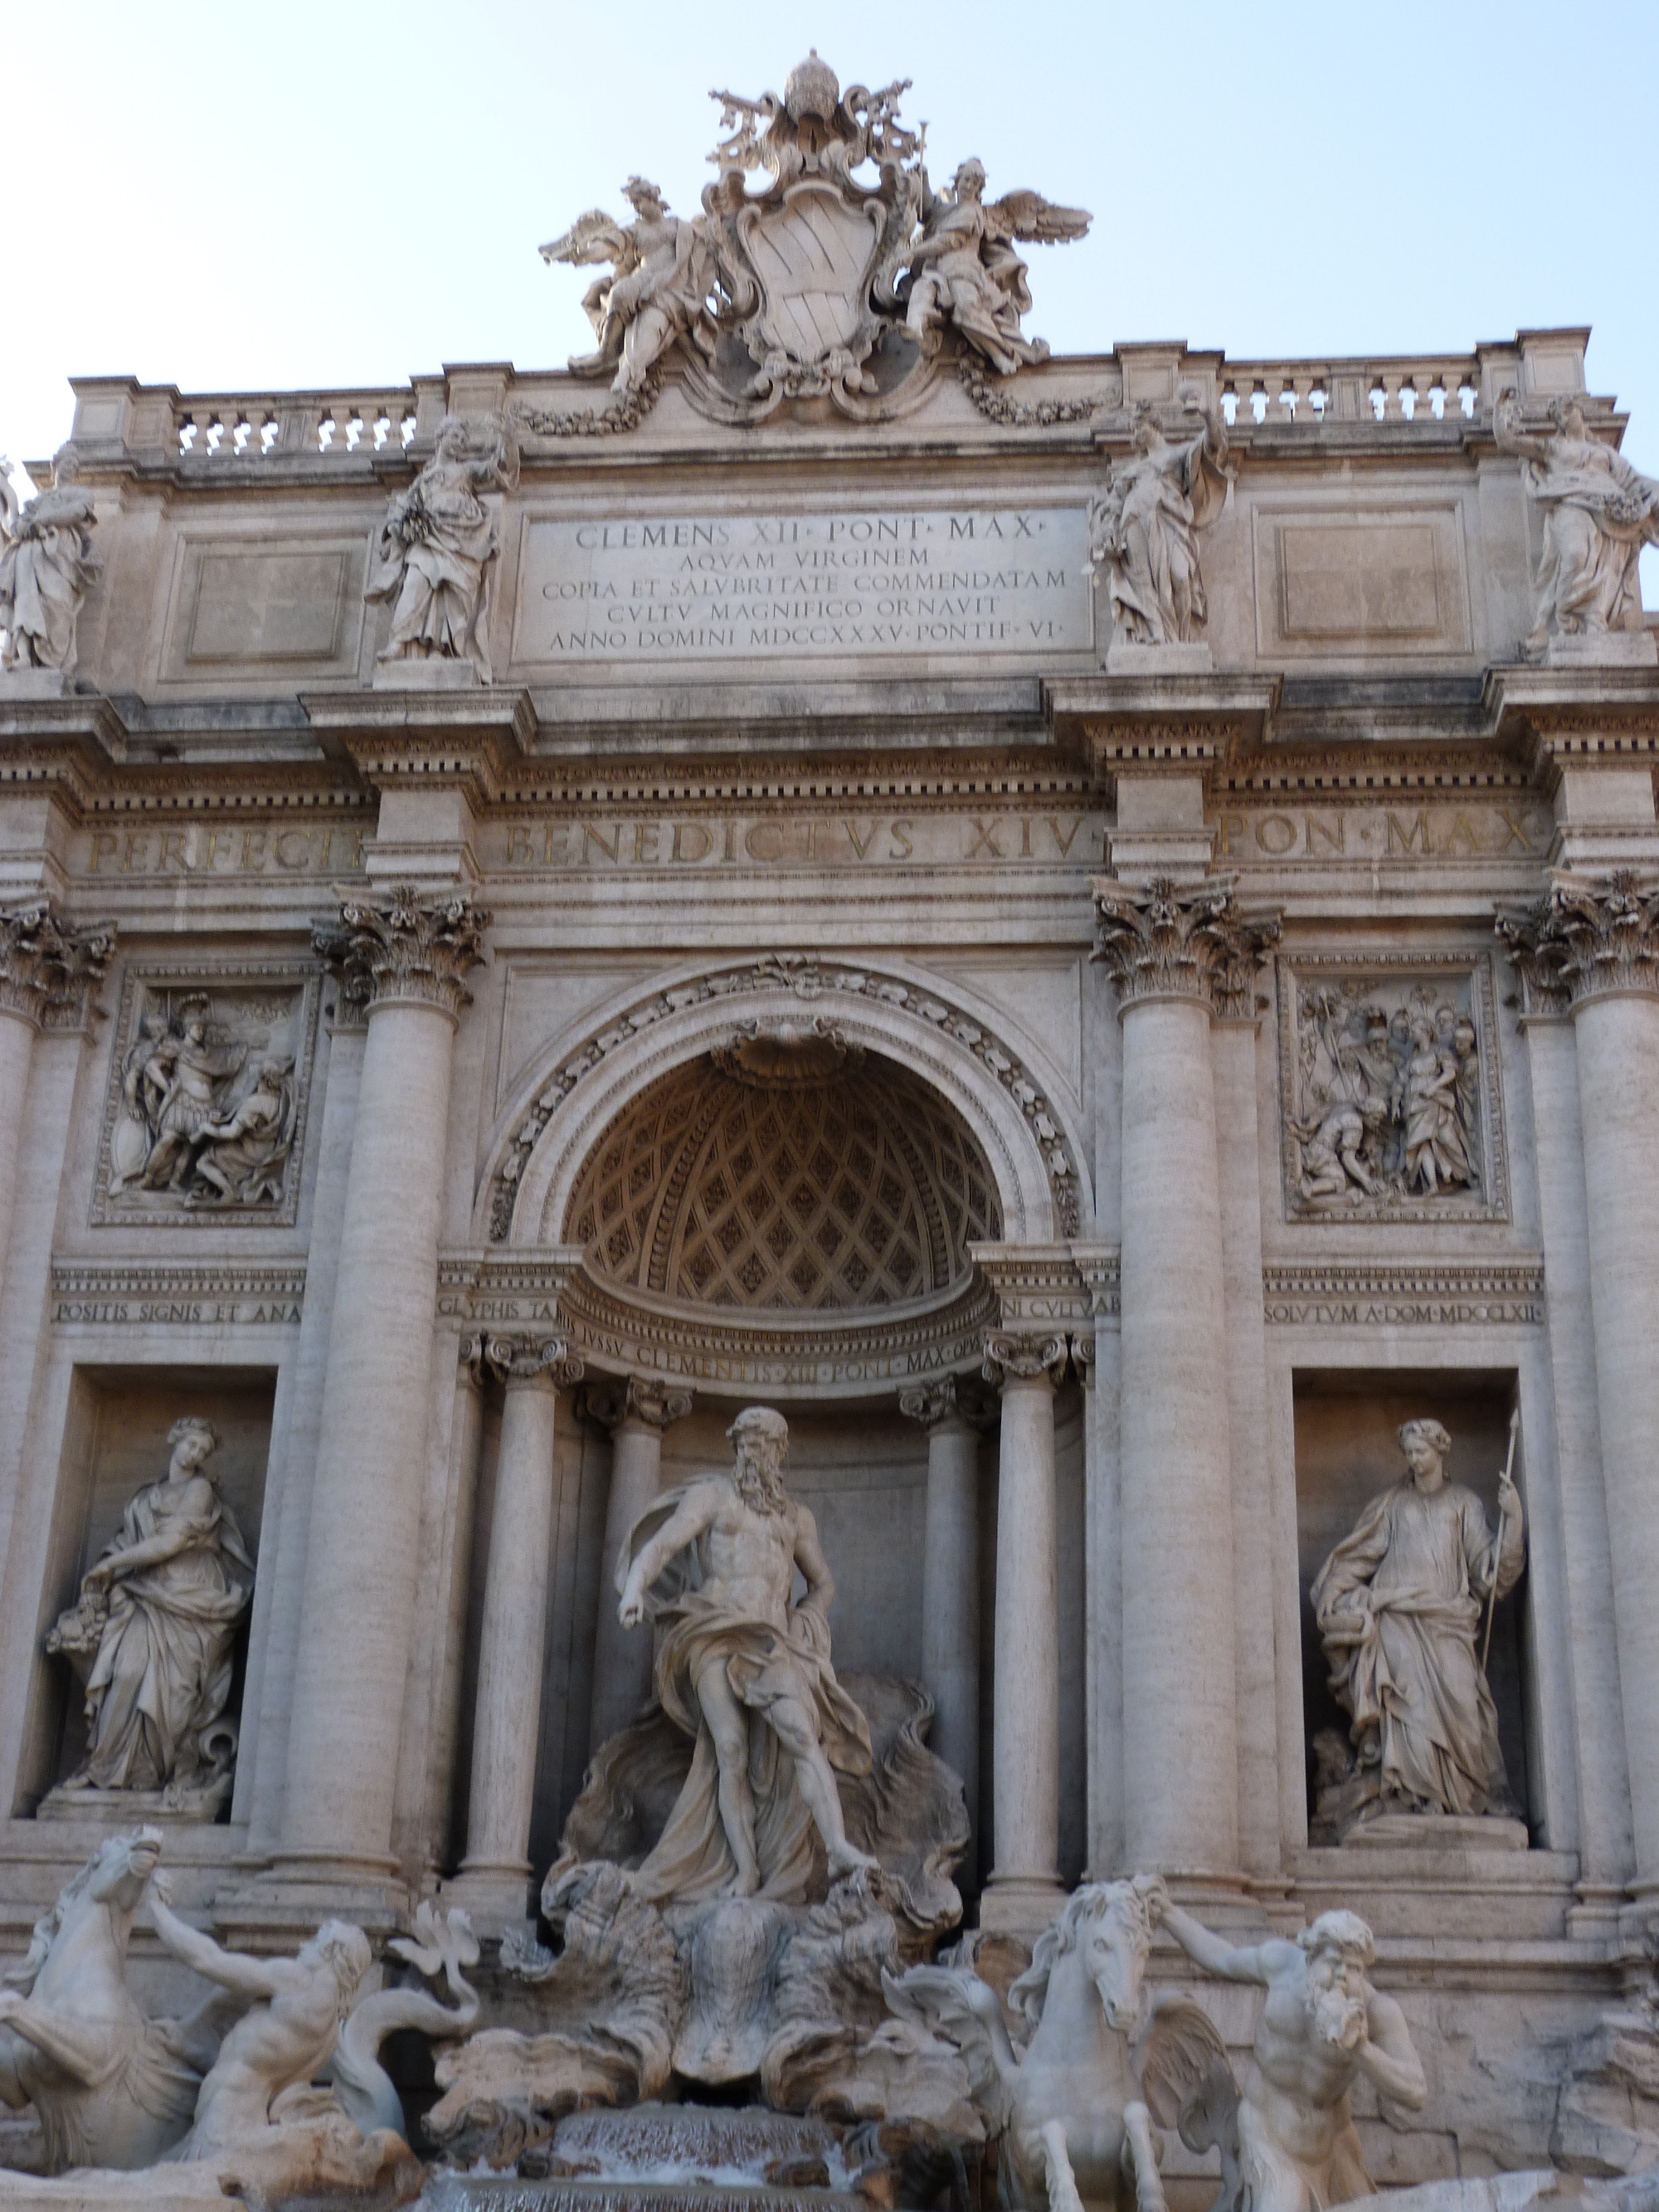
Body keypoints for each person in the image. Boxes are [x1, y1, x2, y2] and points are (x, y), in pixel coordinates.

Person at [615, 1406, 878, 1901]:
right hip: (713, 1632)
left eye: (767, 1442)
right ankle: (746, 1871)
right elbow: (664, 1545)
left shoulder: (796, 1518)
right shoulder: (712, 1498)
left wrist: (808, 1615)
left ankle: (839, 1846)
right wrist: (634, 1588)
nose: (757, 1450)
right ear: (735, 1447)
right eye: (748, 1441)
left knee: (802, 1733)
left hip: (771, 1639)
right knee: (730, 1750)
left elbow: (823, 1582)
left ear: (781, 1452)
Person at [1312, 1417, 1524, 1818]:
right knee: (1406, 1700)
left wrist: (1512, 1520)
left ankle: (1463, 1796)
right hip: (1396, 1617)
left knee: (1463, 1696)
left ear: (1440, 1451)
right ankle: (1411, 1796)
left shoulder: (1464, 1503)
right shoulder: (1392, 1504)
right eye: (1408, 1453)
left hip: (1448, 1620)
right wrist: (1335, 1590)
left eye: (1420, 1451)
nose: (1413, 1458)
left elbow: (1488, 1572)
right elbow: (1360, 1556)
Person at [1158, 1898, 1426, 2212]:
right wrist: (1167, 1913)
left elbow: (1415, 2091)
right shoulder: (1280, 1966)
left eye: (1353, 1968)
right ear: (1311, 1958)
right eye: (1332, 1962)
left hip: (1332, 2143)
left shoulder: (1379, 2012)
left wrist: (1361, 2049)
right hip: (1268, 2133)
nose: (1341, 1975)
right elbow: (1221, 1957)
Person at [53, 1418, 253, 1795]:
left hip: (190, 1598)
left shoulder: (199, 1491)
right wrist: (112, 1565)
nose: (194, 1454)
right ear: (173, 1440)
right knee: (126, 1675)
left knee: (174, 1694)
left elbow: (169, 1544)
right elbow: (127, 1541)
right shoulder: (145, 1498)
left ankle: (152, 1778)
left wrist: (111, 1565)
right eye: (191, 1444)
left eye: (202, 1451)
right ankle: (101, 1768)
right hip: (144, 1593)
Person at [147, 1883, 369, 2157]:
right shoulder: (330, 2033)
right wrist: (185, 2049)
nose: (303, 1945)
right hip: (245, 2126)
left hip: (221, 2127)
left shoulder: (299, 1981)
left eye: (314, 1941)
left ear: (332, 1952)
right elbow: (252, 2067)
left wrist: (157, 1911)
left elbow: (209, 1960)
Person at [1496, 393, 1659, 651]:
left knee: (1603, 568)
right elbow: (1509, 441)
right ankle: (1566, 619)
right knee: (1575, 554)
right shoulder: (1553, 447)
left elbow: (1633, 483)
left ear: (1580, 413)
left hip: (1610, 512)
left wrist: (1654, 494)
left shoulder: (1604, 453)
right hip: (1572, 503)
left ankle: (1594, 620)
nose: (1563, 416)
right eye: (1558, 413)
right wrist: (1503, 411)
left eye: (1567, 410)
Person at [367, 417, 512, 677]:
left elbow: (498, 469)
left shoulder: (466, 470)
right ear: (440, 439)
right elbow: (402, 508)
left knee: (452, 598)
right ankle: (401, 643)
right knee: (414, 586)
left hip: (460, 542)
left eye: (462, 440)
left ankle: (443, 648)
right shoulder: (424, 479)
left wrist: (506, 439)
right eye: (454, 437)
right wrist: (402, 525)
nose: (458, 443)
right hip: (427, 538)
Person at [1088, 397, 1231, 646]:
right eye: (1133, 429)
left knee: (1180, 577)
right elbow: (1112, 505)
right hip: (1134, 522)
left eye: (1138, 427)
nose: (1135, 434)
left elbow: (1214, 445)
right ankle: (1155, 631)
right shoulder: (1133, 468)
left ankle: (1179, 639)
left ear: (1153, 425)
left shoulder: (1178, 453)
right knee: (1143, 580)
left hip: (1170, 523)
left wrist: (1206, 413)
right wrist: (1109, 533)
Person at [0, 450, 102, 678]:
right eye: (65, 462)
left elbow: (76, 512)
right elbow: (15, 526)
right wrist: (6, 495)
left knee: (57, 602)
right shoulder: (38, 500)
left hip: (61, 553)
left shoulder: (82, 493)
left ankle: (51, 660)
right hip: (29, 552)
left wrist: (41, 521)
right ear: (55, 465)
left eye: (73, 465)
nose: (69, 467)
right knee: (26, 599)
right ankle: (25, 657)